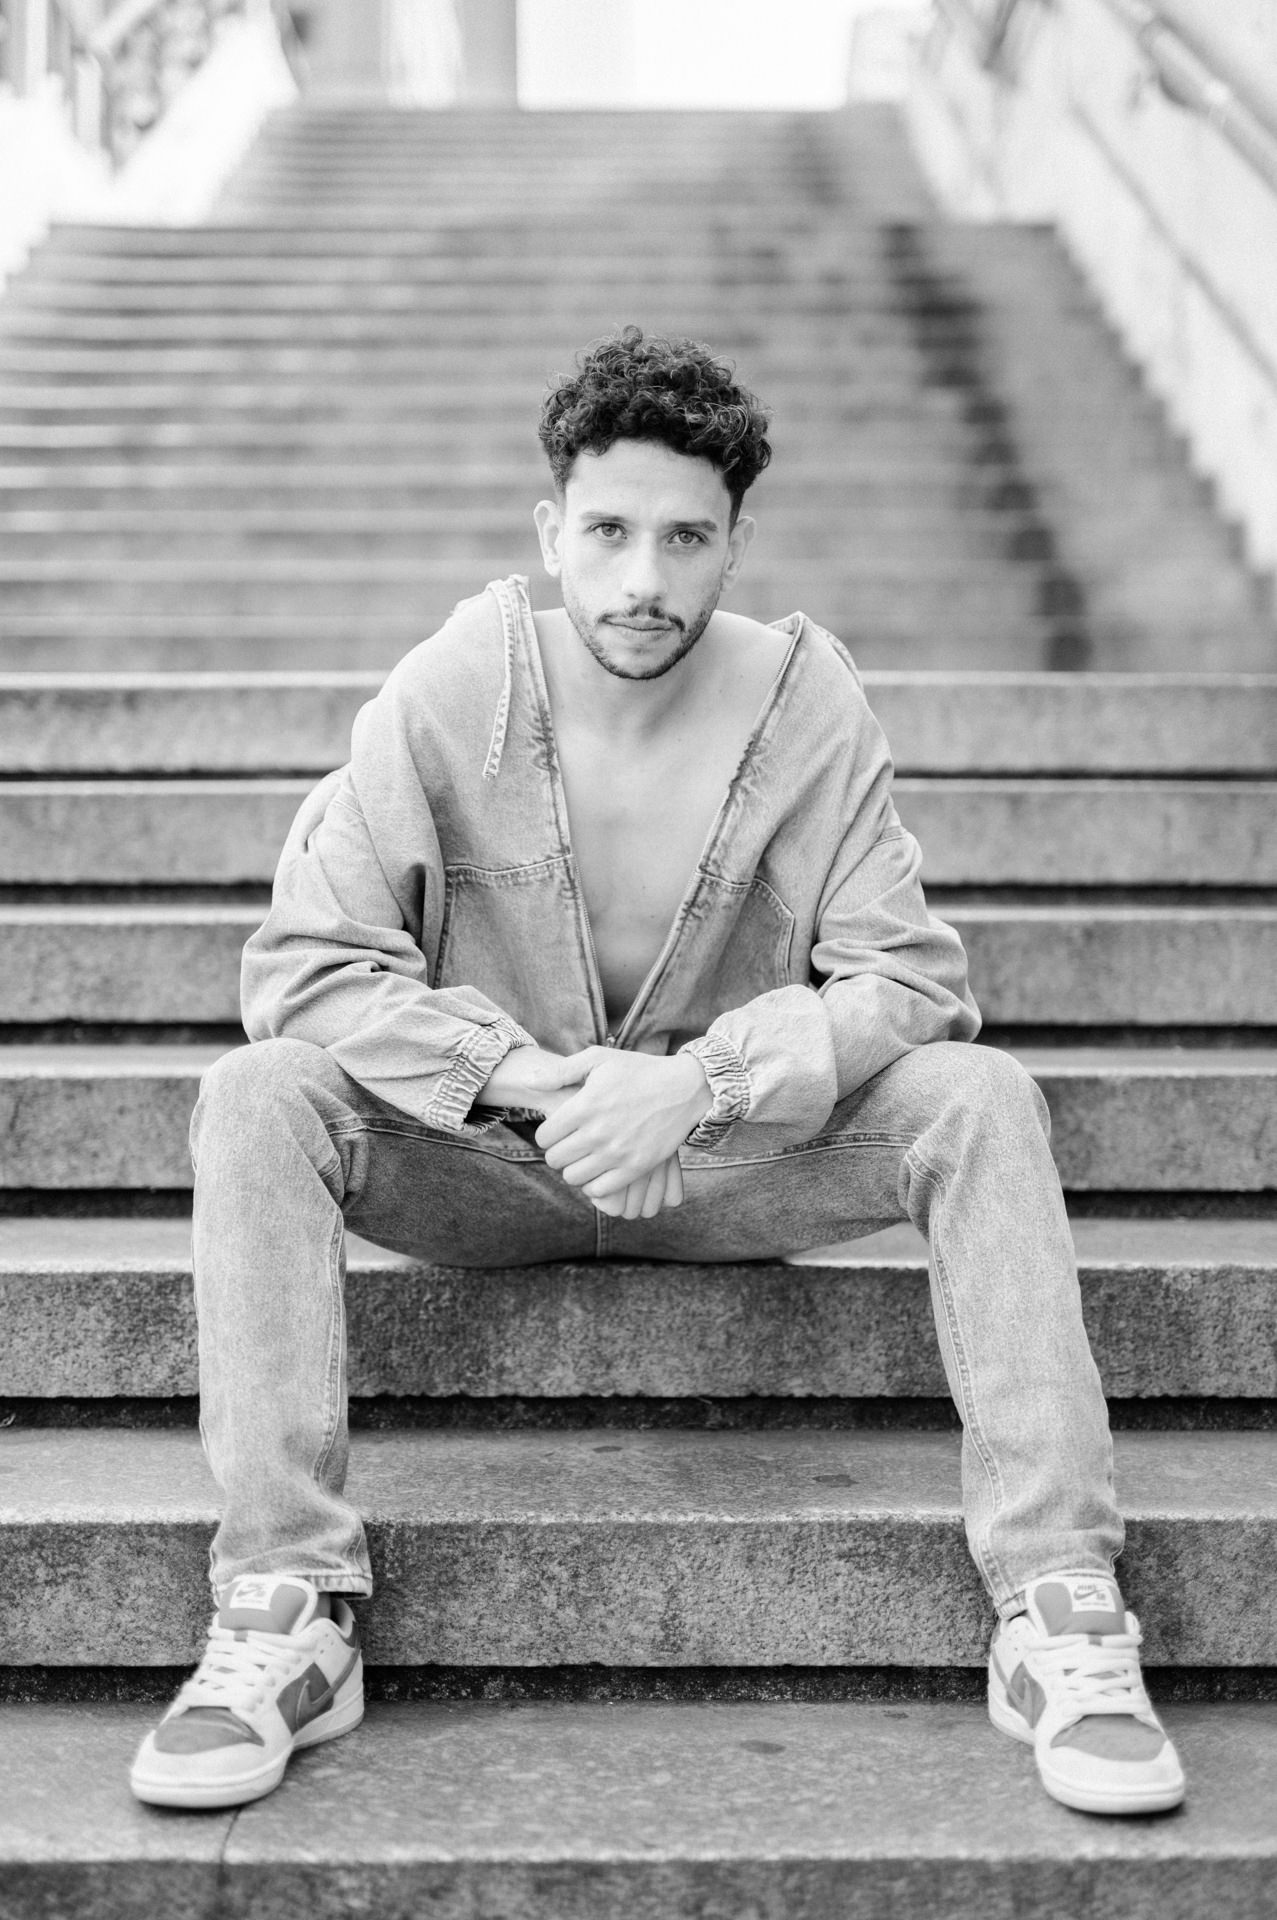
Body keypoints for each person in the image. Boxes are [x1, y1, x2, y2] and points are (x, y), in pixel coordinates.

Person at [129, 327, 1184, 1818]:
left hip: (724, 1166)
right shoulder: (447, 690)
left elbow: (910, 979)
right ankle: (284, 1603)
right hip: (487, 1167)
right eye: (610, 532)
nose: (643, 578)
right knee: (257, 1094)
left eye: (686, 538)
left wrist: (698, 1089)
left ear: (734, 541)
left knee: (983, 1098)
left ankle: (1057, 1605)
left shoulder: (806, 705)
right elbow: (303, 969)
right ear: (550, 529)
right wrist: (538, 1081)